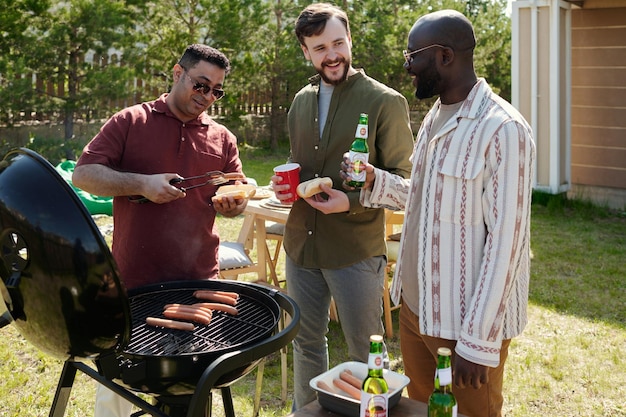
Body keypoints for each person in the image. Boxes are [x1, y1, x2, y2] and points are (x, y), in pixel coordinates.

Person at [339, 10, 535, 417]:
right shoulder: (435, 116)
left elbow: (507, 244)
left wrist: (478, 343)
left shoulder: (503, 129)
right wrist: (376, 180)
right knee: (419, 411)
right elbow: (428, 198)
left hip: (463, 326)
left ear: (445, 55)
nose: (406, 66)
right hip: (415, 309)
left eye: (413, 57)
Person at [72, 44, 249, 417]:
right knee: (121, 386)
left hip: (199, 282)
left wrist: (236, 202)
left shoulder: (222, 137)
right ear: (176, 73)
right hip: (136, 280)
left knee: (194, 380)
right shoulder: (131, 121)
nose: (207, 97)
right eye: (201, 85)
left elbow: (237, 186)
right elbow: (84, 174)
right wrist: (141, 184)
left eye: (217, 90)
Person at [270, 3, 415, 409]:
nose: (331, 54)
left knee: (366, 357)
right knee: (306, 347)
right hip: (301, 247)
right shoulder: (300, 101)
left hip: (354, 250)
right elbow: (299, 165)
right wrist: (285, 187)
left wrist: (349, 202)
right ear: (306, 52)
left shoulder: (385, 102)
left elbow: (408, 188)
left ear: (350, 40)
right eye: (319, 48)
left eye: (337, 42)